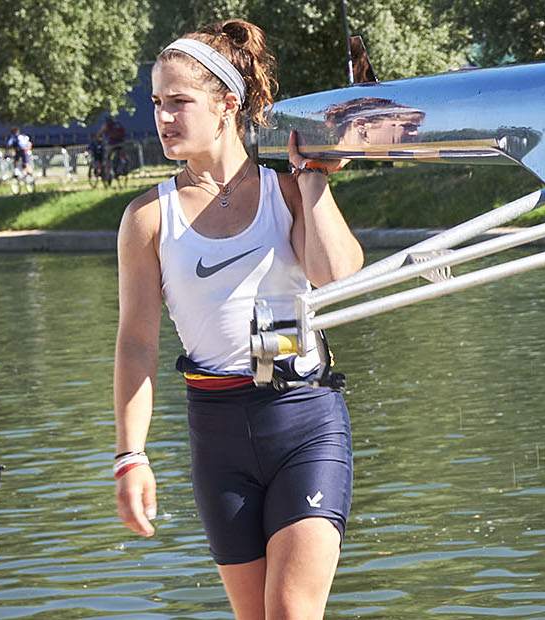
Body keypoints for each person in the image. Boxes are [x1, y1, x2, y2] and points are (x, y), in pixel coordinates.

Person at [114, 18, 364, 619]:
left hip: (304, 419)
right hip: (218, 432)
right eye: (157, 103)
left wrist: (314, 186)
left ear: (228, 105)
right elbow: (137, 343)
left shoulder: (285, 191)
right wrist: (130, 455)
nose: (163, 117)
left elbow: (340, 278)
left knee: (289, 613)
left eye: (180, 102)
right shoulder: (149, 218)